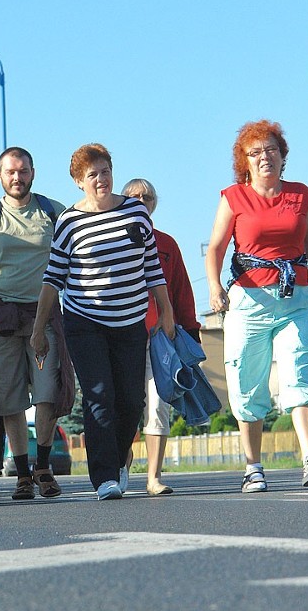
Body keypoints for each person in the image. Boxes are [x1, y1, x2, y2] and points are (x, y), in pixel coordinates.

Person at [205, 120, 308, 493]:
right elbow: (216, 248)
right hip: (248, 301)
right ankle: (253, 467)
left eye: (271, 150)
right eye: (255, 152)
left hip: (295, 299)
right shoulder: (234, 197)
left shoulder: (300, 196)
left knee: (299, 371)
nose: (265, 157)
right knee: (248, 384)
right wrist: (216, 287)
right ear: (245, 162)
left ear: (283, 156)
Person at [31, 143, 175, 500]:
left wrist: (166, 311)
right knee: (99, 397)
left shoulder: (135, 213)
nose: (102, 179)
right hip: (85, 321)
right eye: (93, 174)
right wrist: (38, 330)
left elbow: (152, 266)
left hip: (130, 320)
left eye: (106, 171)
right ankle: (105, 477)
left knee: (131, 402)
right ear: (80, 181)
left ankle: (120, 458)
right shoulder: (69, 222)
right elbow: (53, 278)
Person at [0, 146, 73, 501]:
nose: (18, 177)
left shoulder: (53, 212)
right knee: (9, 399)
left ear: (33, 172)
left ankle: (43, 464)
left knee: (47, 394)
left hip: (42, 317)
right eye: (10, 171)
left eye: (23, 171)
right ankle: (24, 473)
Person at [121, 178, 201, 496]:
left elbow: (180, 290)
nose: (142, 199)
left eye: (148, 196)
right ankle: (120, 469)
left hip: (160, 339)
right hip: (122, 335)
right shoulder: (112, 239)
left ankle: (153, 476)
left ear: (154, 203)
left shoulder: (167, 244)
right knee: (125, 406)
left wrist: (190, 331)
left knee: (157, 406)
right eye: (134, 195)